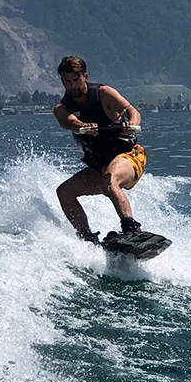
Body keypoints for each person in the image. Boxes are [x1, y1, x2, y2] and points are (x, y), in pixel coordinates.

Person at [53, 55, 146, 244]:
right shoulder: (62, 108)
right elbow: (69, 122)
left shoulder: (103, 94)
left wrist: (132, 124)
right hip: (99, 166)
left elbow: (132, 112)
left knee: (109, 181)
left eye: (76, 80)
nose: (73, 86)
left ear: (85, 76)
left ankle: (131, 228)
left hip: (129, 156)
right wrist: (82, 126)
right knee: (64, 192)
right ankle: (88, 239)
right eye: (67, 82)